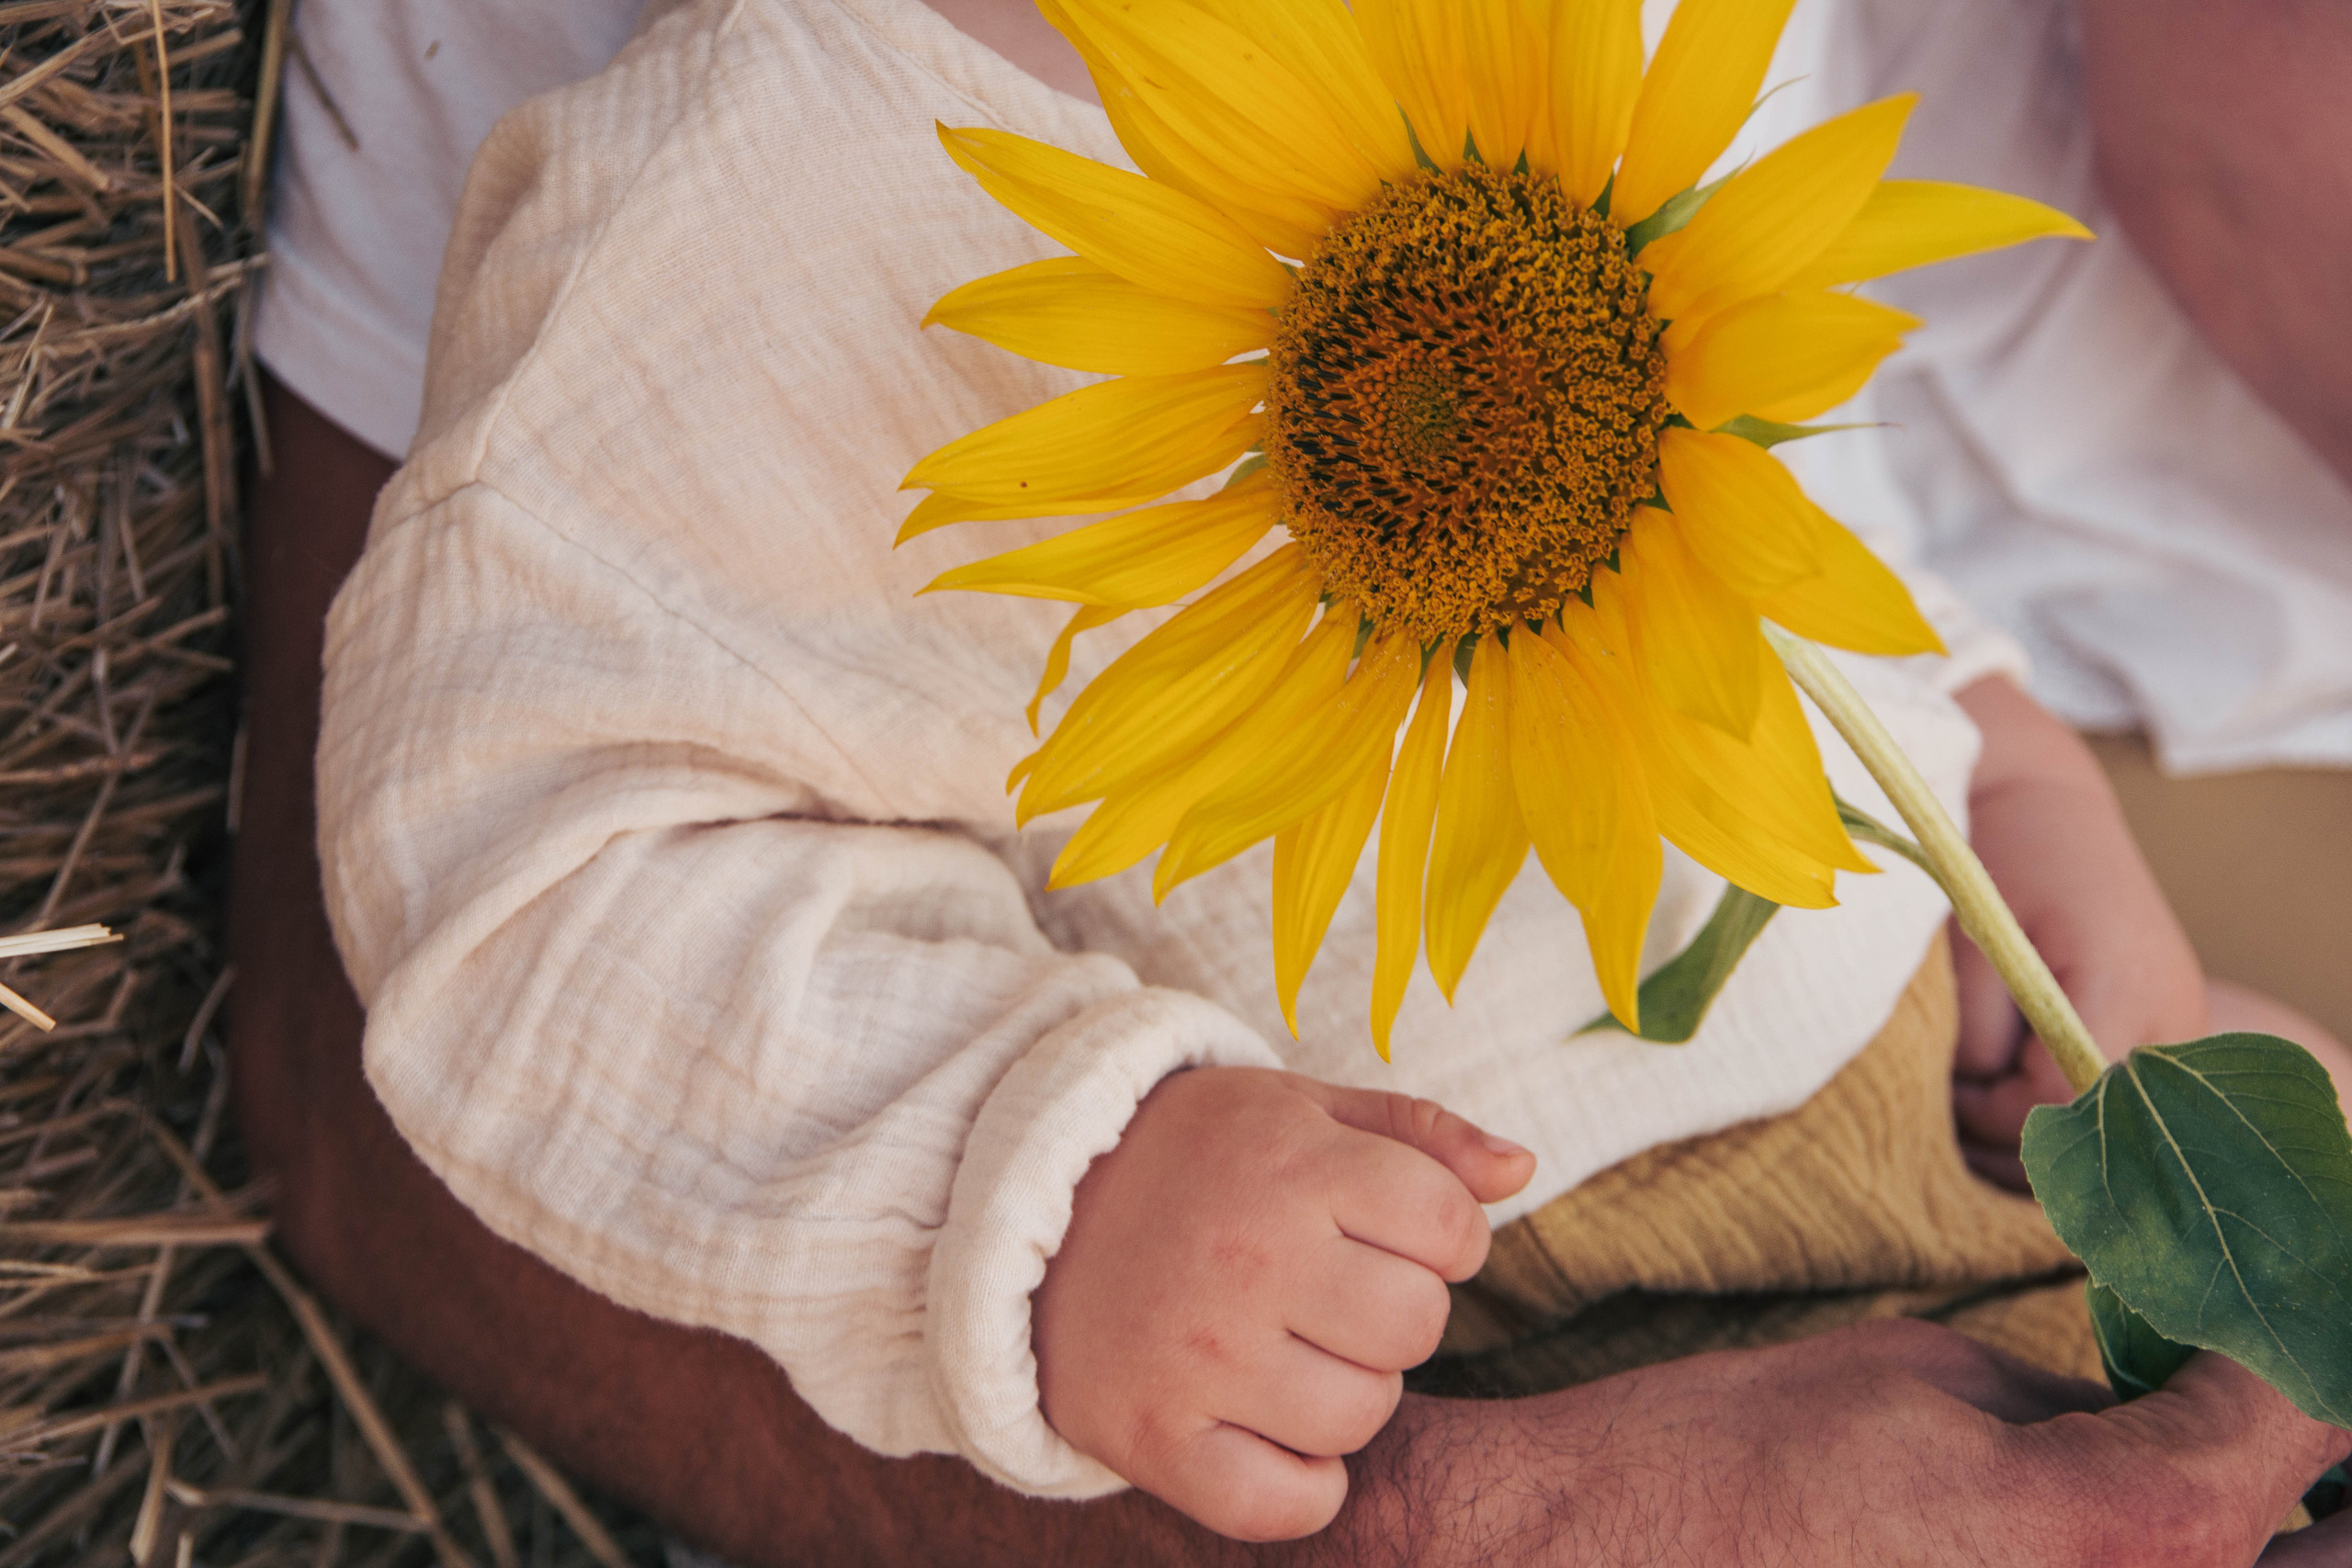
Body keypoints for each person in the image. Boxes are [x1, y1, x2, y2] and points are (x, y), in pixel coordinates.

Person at [229, 0, 2352, 1562]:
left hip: (1940, 1113)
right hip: (1529, 1326)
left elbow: (1748, 409)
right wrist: (1058, 1181)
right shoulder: (738, 206)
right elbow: (521, 861)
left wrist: (1989, 747)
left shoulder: (1593, 39)